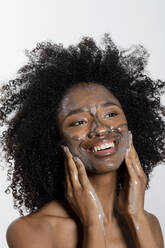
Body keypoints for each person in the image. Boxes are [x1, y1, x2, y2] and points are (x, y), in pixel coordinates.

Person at [0, 34, 164, 248]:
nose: (101, 128)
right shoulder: (32, 230)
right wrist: (93, 225)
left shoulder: (147, 222)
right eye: (78, 122)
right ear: (55, 140)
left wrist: (136, 216)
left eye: (111, 114)